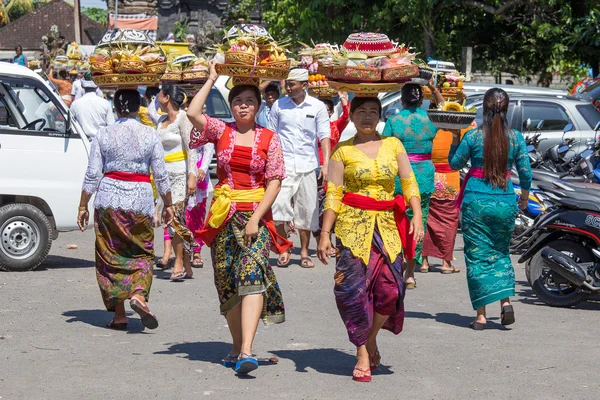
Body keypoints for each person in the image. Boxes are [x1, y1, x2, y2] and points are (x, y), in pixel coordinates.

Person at [187, 61, 291, 375]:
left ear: (259, 106)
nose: (242, 106)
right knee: (226, 281)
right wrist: (211, 80)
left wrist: (256, 218)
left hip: (255, 218)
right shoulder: (221, 130)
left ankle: (247, 349)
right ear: (231, 105)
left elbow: (274, 181)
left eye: (248, 101)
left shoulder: (270, 139)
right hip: (223, 216)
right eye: (237, 101)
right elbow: (193, 113)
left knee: (252, 274)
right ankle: (235, 346)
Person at [317, 96, 423, 382]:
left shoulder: (393, 145)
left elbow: (408, 180)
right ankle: (363, 350)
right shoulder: (341, 151)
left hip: (387, 226)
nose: (367, 117)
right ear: (351, 116)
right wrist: (325, 233)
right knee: (352, 292)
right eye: (361, 111)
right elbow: (333, 193)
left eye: (373, 112)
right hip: (352, 227)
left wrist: (417, 215)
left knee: (391, 292)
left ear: (380, 116)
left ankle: (371, 337)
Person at [77, 89, 174, 331]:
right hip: (140, 201)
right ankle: (139, 295)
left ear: (116, 108)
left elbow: (92, 173)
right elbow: (161, 175)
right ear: (139, 106)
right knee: (141, 252)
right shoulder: (150, 134)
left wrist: (82, 205)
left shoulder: (103, 134)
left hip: (108, 200)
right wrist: (168, 204)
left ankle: (120, 315)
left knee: (111, 257)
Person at [449, 88, 532, 330]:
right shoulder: (516, 137)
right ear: (506, 109)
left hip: (476, 202)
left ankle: (481, 316)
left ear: (484, 109)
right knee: (500, 251)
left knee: (477, 256)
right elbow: (526, 173)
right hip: (505, 201)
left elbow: (454, 164)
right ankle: (505, 303)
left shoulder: (473, 137)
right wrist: (524, 199)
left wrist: (455, 138)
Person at [381, 82, 444, 289]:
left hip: (400, 176)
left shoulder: (393, 121)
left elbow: (386, 148)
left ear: (402, 99)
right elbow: (445, 108)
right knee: (420, 222)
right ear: (422, 100)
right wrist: (435, 92)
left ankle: (397, 265)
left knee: (398, 220)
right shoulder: (431, 119)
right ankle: (410, 273)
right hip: (424, 174)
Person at [268, 68, 331, 268]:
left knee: (306, 211)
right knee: (278, 208)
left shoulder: (318, 107)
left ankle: (304, 252)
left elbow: (324, 136)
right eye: (287, 84)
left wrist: (326, 164)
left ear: (304, 85)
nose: (287, 87)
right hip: (283, 165)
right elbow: (271, 135)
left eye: (292, 84)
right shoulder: (278, 105)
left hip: (308, 165)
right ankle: (284, 248)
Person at [155, 84, 198, 281]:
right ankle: (186, 260)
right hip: (164, 178)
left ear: (166, 98)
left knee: (176, 220)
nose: (156, 98)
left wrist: (192, 176)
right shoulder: (161, 121)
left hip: (180, 175)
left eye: (159, 94)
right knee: (169, 221)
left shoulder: (183, 118)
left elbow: (192, 148)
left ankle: (179, 263)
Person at [185, 132, 215, 268]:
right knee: (179, 216)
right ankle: (179, 252)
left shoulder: (203, 126)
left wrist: (202, 168)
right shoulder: (177, 120)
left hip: (199, 175)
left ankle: (196, 250)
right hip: (180, 172)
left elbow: (208, 150)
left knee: (197, 216)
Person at [69, 74, 114, 141]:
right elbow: (111, 127)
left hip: (82, 143)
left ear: (82, 86)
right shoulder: (105, 103)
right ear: (97, 87)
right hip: (102, 142)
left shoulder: (75, 104)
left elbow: (71, 126)